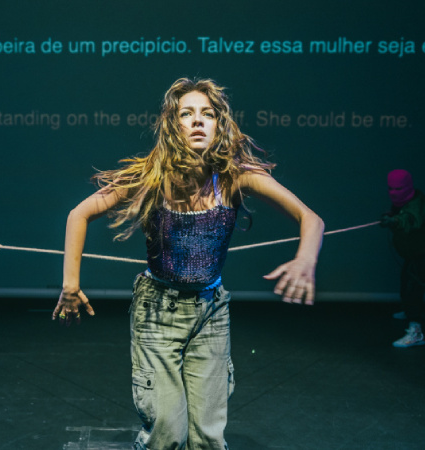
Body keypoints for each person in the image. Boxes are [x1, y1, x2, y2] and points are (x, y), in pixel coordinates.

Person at [52, 78, 324, 449]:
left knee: (208, 437)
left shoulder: (235, 176)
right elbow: (79, 213)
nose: (197, 121)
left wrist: (305, 259)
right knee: (166, 433)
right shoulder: (151, 177)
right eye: (187, 114)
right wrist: (70, 285)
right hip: (158, 311)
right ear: (172, 125)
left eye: (207, 114)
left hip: (211, 312)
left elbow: (311, 218)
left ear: (219, 125)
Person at [380, 169, 425, 348]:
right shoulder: (402, 203)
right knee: (406, 280)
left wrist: (395, 221)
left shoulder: (419, 204)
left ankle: (416, 331)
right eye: (390, 188)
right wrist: (391, 216)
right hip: (416, 252)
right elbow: (402, 214)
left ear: (408, 187)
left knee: (414, 286)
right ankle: (409, 311)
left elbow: (411, 219)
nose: (393, 193)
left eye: (398, 189)